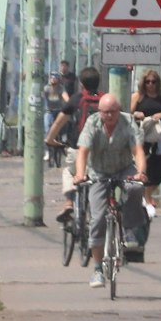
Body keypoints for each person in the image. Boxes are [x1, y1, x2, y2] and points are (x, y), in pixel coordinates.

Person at [73, 92, 149, 287]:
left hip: (124, 168)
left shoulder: (128, 122)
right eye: (105, 112)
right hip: (98, 171)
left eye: (113, 112)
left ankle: (130, 229)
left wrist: (140, 173)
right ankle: (97, 268)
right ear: (99, 112)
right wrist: (80, 174)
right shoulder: (92, 123)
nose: (109, 116)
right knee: (97, 218)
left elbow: (138, 151)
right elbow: (83, 152)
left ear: (119, 110)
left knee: (134, 188)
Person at [47, 67, 104, 224]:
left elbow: (58, 122)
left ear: (81, 83)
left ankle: (69, 203)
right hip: (101, 151)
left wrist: (50, 140)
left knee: (69, 172)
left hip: (77, 149)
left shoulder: (76, 99)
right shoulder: (106, 99)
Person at [134, 70, 161, 201]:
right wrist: (137, 114)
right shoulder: (138, 96)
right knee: (145, 166)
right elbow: (128, 113)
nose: (150, 84)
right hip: (143, 136)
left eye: (153, 82)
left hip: (160, 137)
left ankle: (147, 194)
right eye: (147, 82)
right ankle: (146, 197)